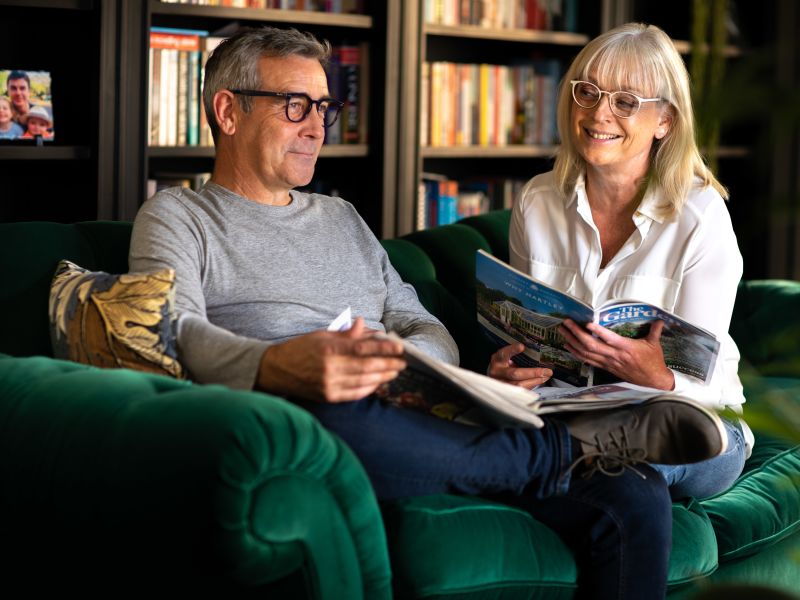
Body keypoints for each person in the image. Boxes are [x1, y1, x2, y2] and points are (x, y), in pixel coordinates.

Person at [130, 26, 727, 599]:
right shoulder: (178, 218)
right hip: (309, 410)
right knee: (330, 425)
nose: (316, 127)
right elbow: (167, 332)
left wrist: (404, 366)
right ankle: (565, 450)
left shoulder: (341, 218)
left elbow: (420, 322)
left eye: (322, 107)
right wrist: (282, 364)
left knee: (637, 492)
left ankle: (566, 449)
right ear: (228, 112)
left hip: (408, 409)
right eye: (294, 105)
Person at [489, 19, 751, 582]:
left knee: (671, 436)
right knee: (627, 483)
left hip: (695, 420)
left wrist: (658, 379)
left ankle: (545, 458)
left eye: (626, 101)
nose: (599, 113)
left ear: (664, 121)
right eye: (588, 92)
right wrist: (507, 369)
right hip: (571, 410)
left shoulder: (701, 218)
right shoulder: (537, 201)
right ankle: (580, 456)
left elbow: (702, 374)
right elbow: (520, 329)